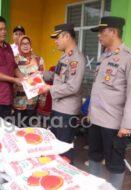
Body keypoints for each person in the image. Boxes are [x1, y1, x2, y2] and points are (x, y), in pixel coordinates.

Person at [88, 16, 131, 190]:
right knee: (94, 156)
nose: (98, 36)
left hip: (114, 124)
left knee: (115, 163)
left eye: (102, 32)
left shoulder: (130, 58)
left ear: (114, 32)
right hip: (96, 120)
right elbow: (98, 88)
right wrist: (90, 113)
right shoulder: (104, 57)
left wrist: (127, 125)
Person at [41, 24, 86, 162]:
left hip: (67, 111)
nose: (55, 41)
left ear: (67, 36)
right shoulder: (64, 57)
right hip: (58, 107)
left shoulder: (76, 59)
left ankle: (66, 176)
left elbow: (73, 86)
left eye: (57, 37)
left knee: (64, 147)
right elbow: (57, 76)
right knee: (56, 144)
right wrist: (40, 74)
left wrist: (50, 89)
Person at [13, 35, 44, 127]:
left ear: (30, 45)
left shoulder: (38, 59)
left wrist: (42, 98)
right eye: (22, 44)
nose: (25, 46)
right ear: (19, 45)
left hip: (32, 100)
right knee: (18, 128)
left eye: (27, 43)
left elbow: (42, 79)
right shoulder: (15, 60)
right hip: (18, 100)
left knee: (29, 128)